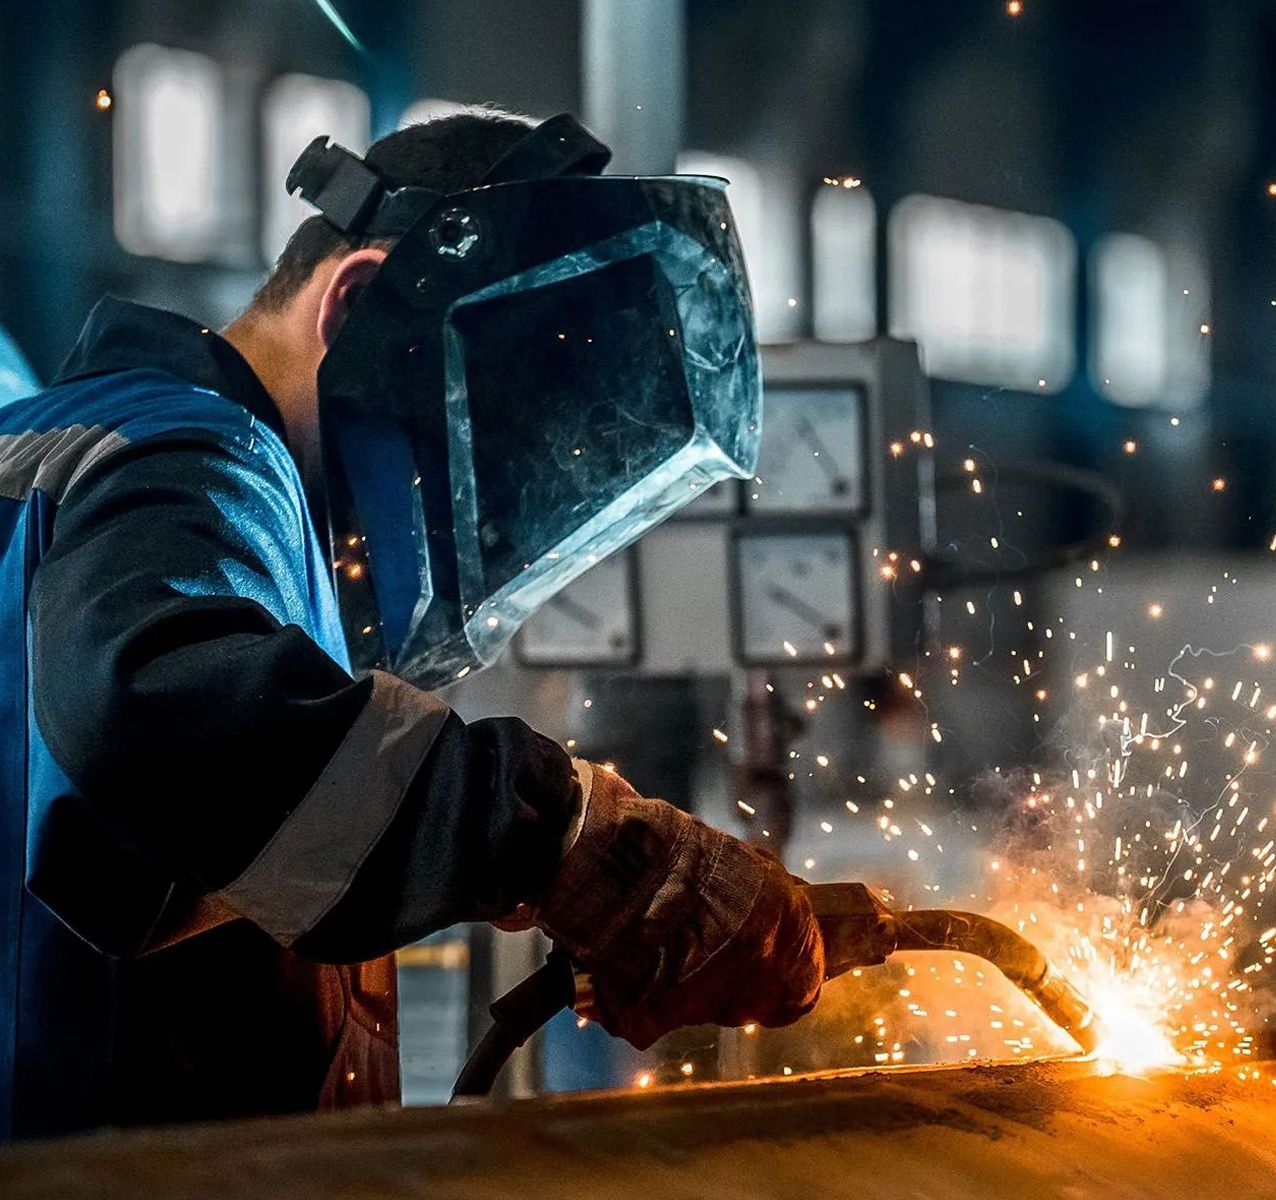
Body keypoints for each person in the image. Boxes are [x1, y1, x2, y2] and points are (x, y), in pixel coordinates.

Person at [0, 110, 823, 1140]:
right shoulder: (196, 456)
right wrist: (551, 835)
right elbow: (150, 717)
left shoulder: (99, 457)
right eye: (470, 468)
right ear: (352, 306)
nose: (470, 529)